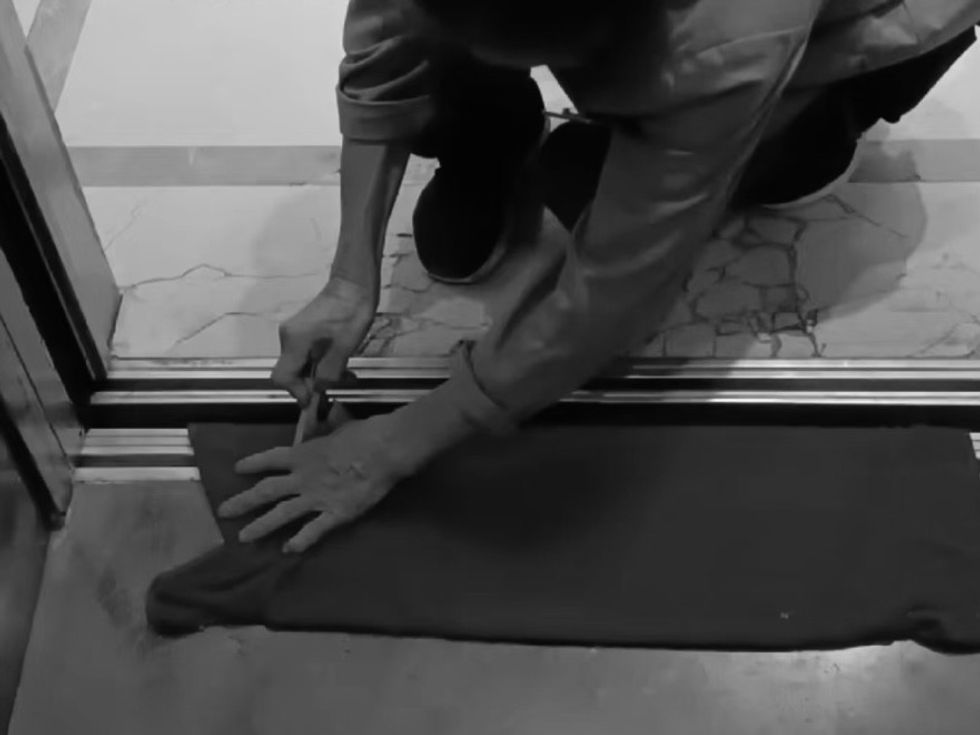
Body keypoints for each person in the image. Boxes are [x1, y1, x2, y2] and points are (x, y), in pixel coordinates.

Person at [218, 0, 980, 552]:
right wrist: (350, 277)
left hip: (846, 21)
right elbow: (387, 46)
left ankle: (791, 141)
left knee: (748, 155)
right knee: (476, 81)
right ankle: (503, 137)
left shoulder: (733, 26)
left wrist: (391, 446)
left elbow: (616, 288)